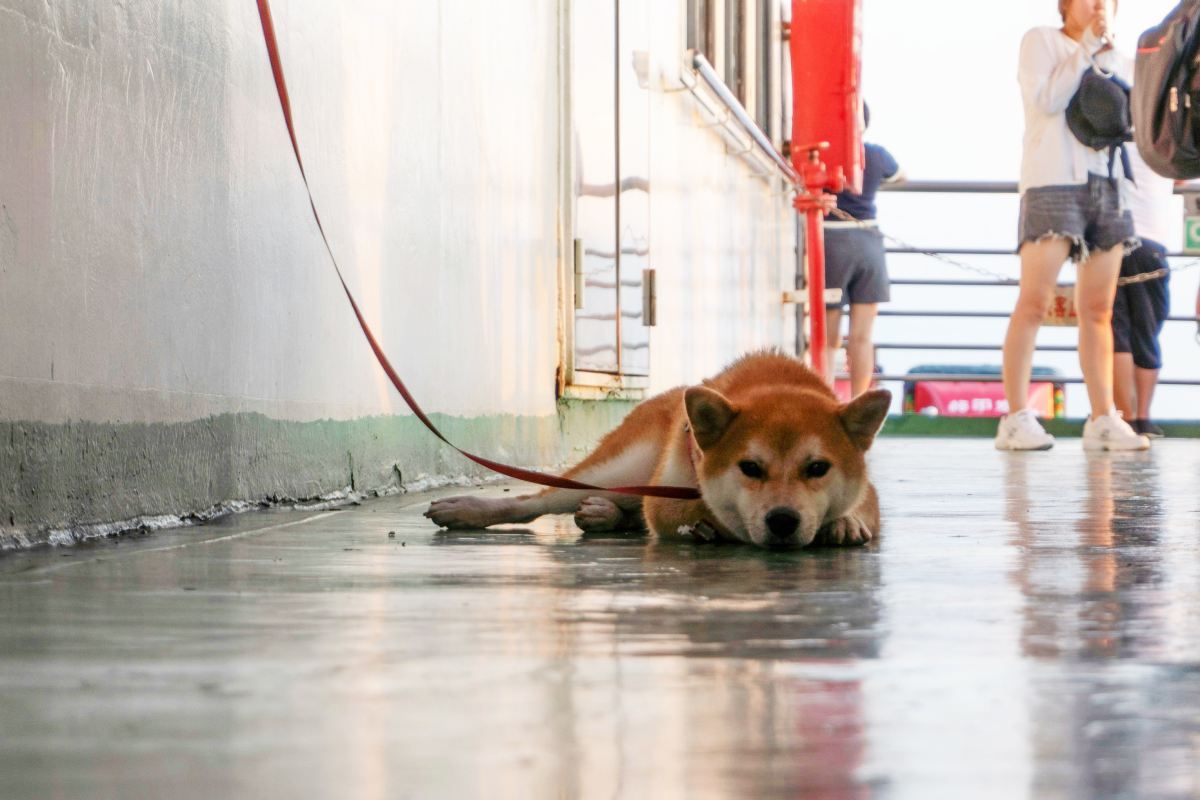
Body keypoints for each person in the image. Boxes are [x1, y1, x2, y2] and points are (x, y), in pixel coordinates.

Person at [995, 0, 1149, 451]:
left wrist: (1104, 50)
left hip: (1108, 183)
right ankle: (1016, 416)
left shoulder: (1116, 56)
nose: (1099, 5)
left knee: (1099, 309)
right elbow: (1047, 100)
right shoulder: (1041, 41)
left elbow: (1129, 119)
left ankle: (1103, 417)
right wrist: (1084, 47)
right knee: (1035, 300)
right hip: (1053, 180)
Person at [823, 103, 904, 397]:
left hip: (831, 243)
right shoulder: (877, 154)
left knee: (828, 337)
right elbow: (900, 175)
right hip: (869, 243)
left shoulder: (825, 155)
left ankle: (825, 398)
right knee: (862, 337)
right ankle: (858, 401)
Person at [1112, 148, 1173, 438]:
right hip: (1151, 244)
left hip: (1111, 238)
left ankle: (1126, 419)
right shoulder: (1161, 137)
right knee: (1147, 333)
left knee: (1117, 333)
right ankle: (1143, 418)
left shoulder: (1114, 128)